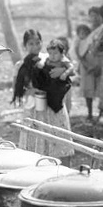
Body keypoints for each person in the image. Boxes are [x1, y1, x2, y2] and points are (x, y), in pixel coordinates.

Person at [14, 29, 74, 164]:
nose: (35, 46)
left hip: (54, 106)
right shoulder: (21, 65)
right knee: (34, 145)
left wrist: (63, 71)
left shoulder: (50, 58)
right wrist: (30, 90)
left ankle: (65, 175)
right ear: (25, 46)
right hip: (34, 107)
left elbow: (69, 71)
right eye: (30, 43)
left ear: (42, 42)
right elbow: (18, 89)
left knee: (60, 141)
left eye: (37, 42)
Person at [33, 39, 74, 114]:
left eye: (55, 53)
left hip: (60, 82)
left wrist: (65, 73)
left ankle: (56, 106)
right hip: (49, 81)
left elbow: (71, 68)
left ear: (62, 53)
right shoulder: (48, 60)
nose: (52, 56)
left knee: (57, 95)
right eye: (50, 53)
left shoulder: (63, 60)